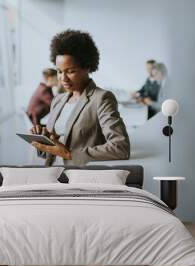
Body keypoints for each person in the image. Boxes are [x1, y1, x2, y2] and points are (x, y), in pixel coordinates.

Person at [30, 29, 130, 166]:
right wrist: (42, 140)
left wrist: (68, 154)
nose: (63, 78)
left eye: (70, 71)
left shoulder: (101, 99)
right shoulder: (58, 100)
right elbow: (52, 149)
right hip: (51, 173)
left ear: (87, 67)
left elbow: (120, 148)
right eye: (59, 71)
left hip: (78, 177)